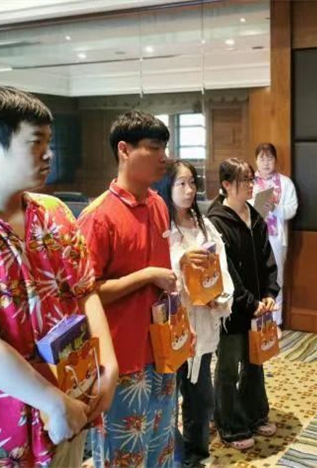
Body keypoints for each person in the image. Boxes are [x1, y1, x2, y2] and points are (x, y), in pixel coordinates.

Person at [0, 86, 118, 467]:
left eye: (48, 141)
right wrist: (52, 402)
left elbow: (85, 291)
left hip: (70, 402)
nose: (49, 153)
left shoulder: (55, 213)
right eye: (36, 142)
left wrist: (108, 365)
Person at [78, 110, 178, 467]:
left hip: (162, 350)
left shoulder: (158, 204)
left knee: (161, 449)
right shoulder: (98, 216)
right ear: (124, 150)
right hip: (121, 360)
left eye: (164, 148)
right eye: (154, 148)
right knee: (123, 457)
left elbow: (164, 278)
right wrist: (146, 275)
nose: (164, 157)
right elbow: (84, 294)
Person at [156, 160, 234, 467]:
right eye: (181, 184)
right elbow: (159, 273)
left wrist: (219, 298)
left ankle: (196, 455)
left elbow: (222, 269)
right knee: (166, 401)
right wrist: (182, 261)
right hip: (173, 326)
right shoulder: (161, 229)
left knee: (201, 399)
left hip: (201, 326)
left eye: (192, 183)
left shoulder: (205, 226)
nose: (189, 190)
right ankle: (176, 457)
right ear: (167, 187)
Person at [207, 158, 279, 450]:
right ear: (226, 184)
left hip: (257, 306)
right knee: (228, 367)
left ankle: (255, 414)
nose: (252, 185)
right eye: (245, 180)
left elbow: (267, 259)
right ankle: (230, 425)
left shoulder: (254, 216)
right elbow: (225, 272)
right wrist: (249, 302)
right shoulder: (216, 222)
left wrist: (270, 293)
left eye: (252, 179)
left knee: (255, 362)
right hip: (232, 310)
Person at [251, 143, 298, 326]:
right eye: (262, 158)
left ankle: (274, 323)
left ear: (275, 160)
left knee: (276, 279)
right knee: (254, 277)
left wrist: (275, 207)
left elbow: (292, 209)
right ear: (256, 160)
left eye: (269, 158)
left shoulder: (285, 183)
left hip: (276, 237)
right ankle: (256, 321)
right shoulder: (249, 181)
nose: (266, 162)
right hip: (253, 237)